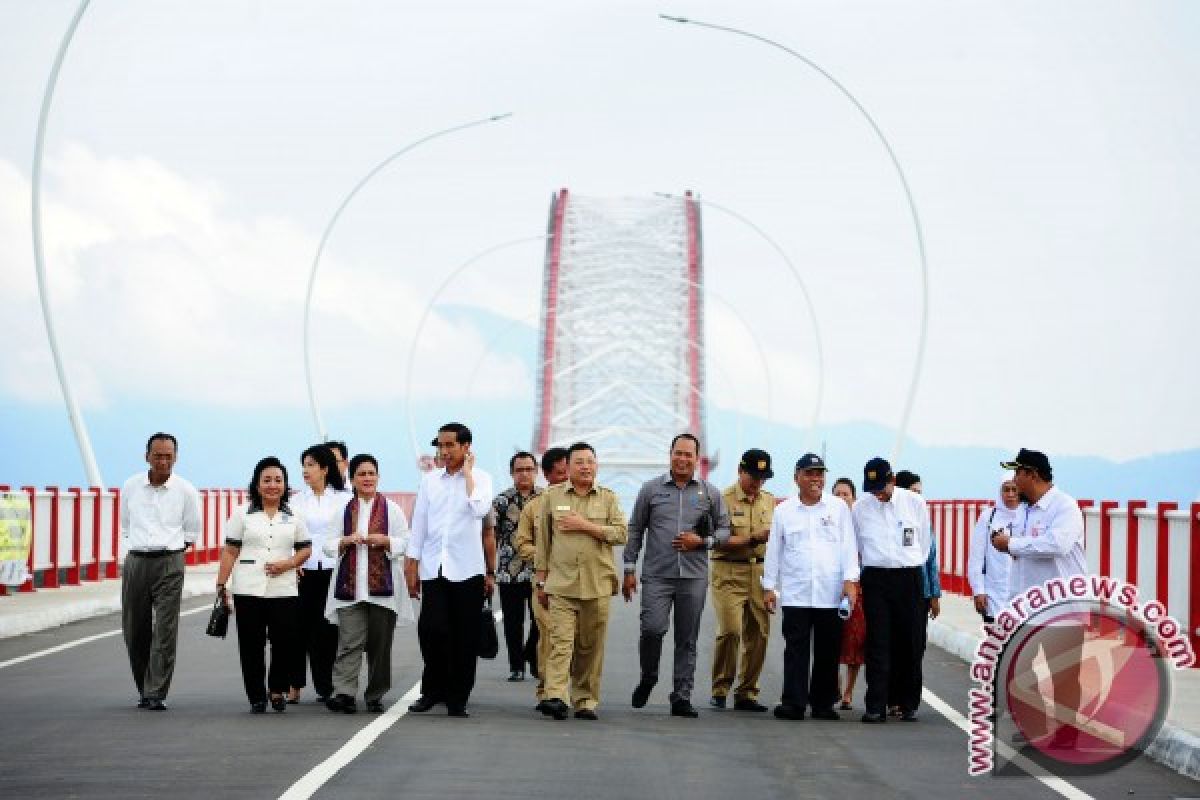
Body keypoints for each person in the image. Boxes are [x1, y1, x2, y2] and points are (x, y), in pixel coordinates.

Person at [623, 433, 730, 718]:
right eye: (678, 453)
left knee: (687, 638)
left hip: (694, 576)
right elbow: (635, 529)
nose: (683, 459)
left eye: (689, 454)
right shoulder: (650, 490)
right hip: (657, 574)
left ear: (697, 459)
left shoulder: (710, 493)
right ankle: (648, 677)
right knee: (652, 629)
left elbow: (724, 530)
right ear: (670, 454)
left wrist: (702, 542)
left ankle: (681, 696)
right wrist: (629, 568)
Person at [990, 448, 1086, 749]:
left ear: (1032, 474)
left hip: (1063, 606)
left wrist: (1014, 543)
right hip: (1027, 606)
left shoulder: (1064, 507)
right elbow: (1021, 559)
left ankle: (1067, 735)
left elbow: (1056, 545)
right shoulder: (1025, 510)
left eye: (1018, 473)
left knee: (1064, 675)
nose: (1014, 480)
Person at [405, 422, 495, 718]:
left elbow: (479, 510)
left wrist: (468, 474)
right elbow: (419, 525)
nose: (443, 452)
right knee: (432, 629)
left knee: (465, 637)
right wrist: (412, 565)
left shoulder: (481, 478)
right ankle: (432, 691)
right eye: (440, 446)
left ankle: (458, 697)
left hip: (468, 569)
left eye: (449, 446)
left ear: (466, 447)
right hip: (434, 567)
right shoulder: (430, 481)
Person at [536, 442, 627, 720]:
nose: (586, 466)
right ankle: (556, 696)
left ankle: (585, 699)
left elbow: (621, 534)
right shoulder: (552, 497)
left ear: (597, 465)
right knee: (560, 642)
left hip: (597, 583)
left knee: (590, 647)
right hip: (562, 584)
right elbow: (544, 541)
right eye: (579, 462)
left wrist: (586, 526)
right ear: (568, 467)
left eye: (590, 461)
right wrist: (541, 580)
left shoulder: (609, 499)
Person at [765, 454, 858, 720]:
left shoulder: (838, 508)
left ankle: (823, 703)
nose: (816, 479)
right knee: (795, 650)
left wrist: (850, 581)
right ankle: (794, 702)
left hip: (830, 593)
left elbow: (849, 546)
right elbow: (774, 551)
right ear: (797, 478)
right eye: (809, 473)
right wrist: (769, 586)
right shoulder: (783, 511)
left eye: (819, 473)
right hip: (797, 592)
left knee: (828, 650)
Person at [215, 457, 312, 713]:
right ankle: (256, 696)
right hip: (248, 588)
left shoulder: (294, 516)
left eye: (278, 480)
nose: (273, 485)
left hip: (284, 588)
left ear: (285, 485)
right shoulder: (241, 514)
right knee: (251, 645)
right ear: (257, 485)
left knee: (284, 642)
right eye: (267, 480)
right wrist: (221, 584)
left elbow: (305, 549)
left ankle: (276, 689)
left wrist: (289, 564)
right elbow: (230, 550)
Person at [324, 454, 413, 713]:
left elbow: (406, 541)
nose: (367, 478)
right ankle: (344, 693)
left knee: (380, 646)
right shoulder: (342, 511)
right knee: (349, 642)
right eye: (361, 474)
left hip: (383, 590)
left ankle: (375, 694)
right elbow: (328, 545)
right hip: (349, 590)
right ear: (352, 479)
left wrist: (386, 541)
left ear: (378, 477)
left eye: (371, 473)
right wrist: (345, 541)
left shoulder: (392, 509)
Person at [120, 432, 202, 711]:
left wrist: (172, 553)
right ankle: (143, 686)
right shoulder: (131, 486)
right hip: (136, 561)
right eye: (158, 455)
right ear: (147, 456)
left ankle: (156, 691)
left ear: (176, 458)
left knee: (165, 629)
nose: (163, 461)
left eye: (168, 456)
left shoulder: (186, 491)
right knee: (134, 628)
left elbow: (191, 531)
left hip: (169, 561)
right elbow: (125, 524)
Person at [852, 457, 931, 724]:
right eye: (872, 488)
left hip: (908, 577)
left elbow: (925, 543)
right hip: (875, 578)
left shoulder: (914, 503)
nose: (877, 493)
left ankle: (908, 702)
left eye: (881, 487)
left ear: (893, 480)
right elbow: (855, 547)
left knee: (910, 641)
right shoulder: (861, 508)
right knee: (878, 642)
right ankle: (876, 704)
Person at [709, 448, 775, 712]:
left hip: (759, 572)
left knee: (759, 633)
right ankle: (720, 687)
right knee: (731, 630)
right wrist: (752, 538)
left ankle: (747, 691)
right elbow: (717, 540)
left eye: (763, 477)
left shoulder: (769, 501)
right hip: (729, 571)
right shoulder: (722, 500)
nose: (758, 482)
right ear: (740, 471)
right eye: (753, 476)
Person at [290, 443, 351, 704]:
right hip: (302, 571)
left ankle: (326, 686)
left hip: (332, 570)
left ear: (325, 469)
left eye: (312, 465)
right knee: (297, 629)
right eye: (304, 465)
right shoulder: (295, 500)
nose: (306, 470)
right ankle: (294, 685)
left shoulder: (343, 498)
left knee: (326, 630)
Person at [515, 447, 570, 708]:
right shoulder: (534, 507)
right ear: (547, 476)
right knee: (550, 636)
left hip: (581, 583)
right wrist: (548, 556)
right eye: (561, 473)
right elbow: (522, 544)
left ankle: (566, 691)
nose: (567, 478)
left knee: (576, 640)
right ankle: (551, 692)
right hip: (545, 582)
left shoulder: (592, 503)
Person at [491, 452, 542, 682]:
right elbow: (491, 536)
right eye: (519, 470)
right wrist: (489, 570)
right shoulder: (501, 501)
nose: (524, 474)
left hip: (539, 570)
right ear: (512, 473)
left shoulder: (547, 498)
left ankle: (532, 653)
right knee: (513, 623)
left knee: (540, 620)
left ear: (536, 471)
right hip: (508, 572)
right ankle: (516, 666)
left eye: (529, 469)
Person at [967, 475, 1019, 623]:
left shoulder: (1028, 515)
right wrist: (978, 591)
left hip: (1022, 599)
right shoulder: (988, 517)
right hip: (994, 595)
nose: (1010, 494)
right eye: (1006, 489)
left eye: (1014, 489)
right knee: (996, 643)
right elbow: (976, 557)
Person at [833, 477, 865, 710]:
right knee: (832, 638)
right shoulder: (826, 520)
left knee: (856, 640)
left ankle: (849, 692)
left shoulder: (862, 523)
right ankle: (834, 685)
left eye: (846, 494)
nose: (842, 498)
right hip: (830, 587)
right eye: (837, 494)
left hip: (858, 588)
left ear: (854, 498)